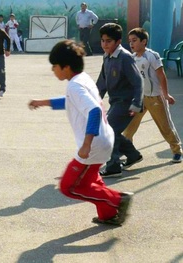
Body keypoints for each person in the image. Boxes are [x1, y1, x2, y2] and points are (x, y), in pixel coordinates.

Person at [28, 40, 133, 225]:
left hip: (94, 143)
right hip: (104, 138)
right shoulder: (82, 79)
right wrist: (42, 102)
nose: (53, 70)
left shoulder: (74, 86)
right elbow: (70, 102)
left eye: (55, 66)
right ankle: (108, 214)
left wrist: (86, 144)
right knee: (92, 181)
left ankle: (117, 200)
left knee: (69, 187)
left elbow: (92, 110)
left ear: (66, 67)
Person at [124, 28, 182, 163]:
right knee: (129, 127)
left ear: (143, 42)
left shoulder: (152, 56)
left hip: (156, 98)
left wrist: (166, 95)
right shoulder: (131, 58)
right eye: (130, 41)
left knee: (165, 127)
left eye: (134, 41)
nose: (131, 44)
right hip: (139, 98)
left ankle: (177, 151)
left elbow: (162, 76)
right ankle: (127, 151)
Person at [96, 23, 143, 177]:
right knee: (112, 130)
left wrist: (136, 103)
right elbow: (102, 82)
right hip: (116, 102)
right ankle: (133, 155)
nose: (104, 44)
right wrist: (94, 99)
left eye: (108, 41)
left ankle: (114, 165)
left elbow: (138, 82)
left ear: (118, 41)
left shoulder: (125, 57)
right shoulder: (107, 56)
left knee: (108, 130)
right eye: (102, 41)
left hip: (127, 103)